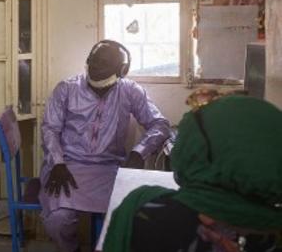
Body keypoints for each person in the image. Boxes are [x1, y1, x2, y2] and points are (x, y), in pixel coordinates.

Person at [103, 95, 282, 252]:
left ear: (194, 147)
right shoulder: (271, 235)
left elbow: (159, 124)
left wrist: (139, 151)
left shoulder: (150, 215)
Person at [40, 40, 171, 252]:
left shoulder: (130, 91)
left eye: (104, 63)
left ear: (122, 70)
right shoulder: (66, 89)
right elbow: (50, 129)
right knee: (58, 220)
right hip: (66, 167)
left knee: (130, 216)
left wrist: (139, 152)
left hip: (110, 169)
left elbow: (160, 124)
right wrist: (56, 162)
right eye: (92, 61)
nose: (95, 67)